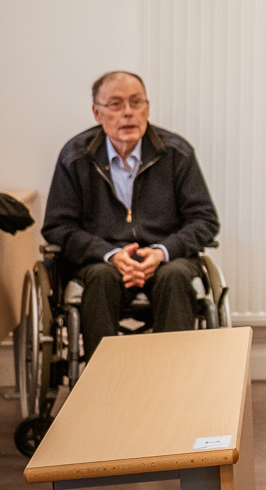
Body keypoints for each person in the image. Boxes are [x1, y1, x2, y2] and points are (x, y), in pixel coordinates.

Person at [42, 71, 220, 359]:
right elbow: (58, 226)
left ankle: (172, 375)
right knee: (100, 277)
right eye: (116, 104)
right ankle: (104, 377)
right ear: (97, 113)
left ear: (147, 108)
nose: (128, 112)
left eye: (136, 103)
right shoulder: (75, 157)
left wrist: (162, 252)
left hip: (166, 257)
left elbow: (205, 220)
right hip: (101, 259)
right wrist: (110, 254)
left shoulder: (176, 153)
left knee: (175, 276)